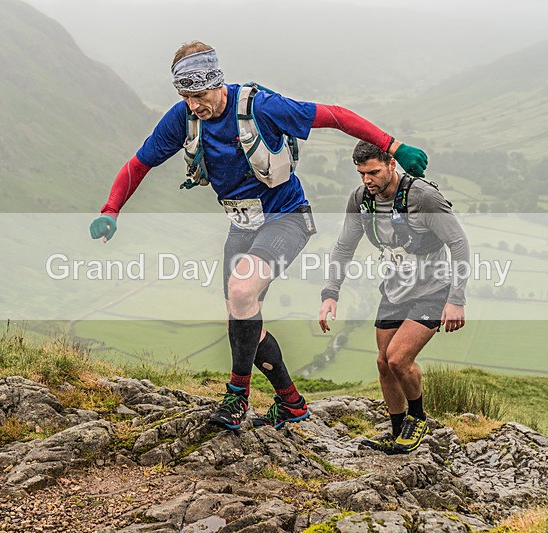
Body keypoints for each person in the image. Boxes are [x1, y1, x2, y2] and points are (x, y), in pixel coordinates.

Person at [89, 41, 429, 430]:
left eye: (199, 95)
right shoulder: (183, 119)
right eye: (185, 97)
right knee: (241, 321)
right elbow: (139, 164)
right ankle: (292, 403)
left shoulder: (261, 107)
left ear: (217, 82)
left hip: (287, 218)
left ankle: (237, 397)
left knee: (241, 291)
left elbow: (333, 116)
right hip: (243, 224)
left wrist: (392, 146)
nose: (194, 105)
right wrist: (111, 209)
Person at [318, 140, 469, 453]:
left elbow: (458, 243)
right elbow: (344, 247)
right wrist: (330, 293)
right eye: (361, 174)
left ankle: (418, 418)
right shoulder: (361, 200)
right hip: (395, 289)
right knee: (384, 363)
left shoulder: (422, 197)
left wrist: (456, 299)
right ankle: (398, 430)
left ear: (391, 164)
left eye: (373, 172)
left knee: (399, 359)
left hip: (433, 289)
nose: (367, 180)